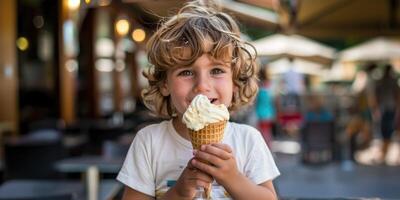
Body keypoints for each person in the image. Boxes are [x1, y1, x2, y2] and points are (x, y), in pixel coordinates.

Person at [117, 1, 280, 200]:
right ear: (164, 84)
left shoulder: (248, 140)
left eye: (217, 70)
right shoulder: (149, 142)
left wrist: (233, 178)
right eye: (186, 72)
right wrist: (178, 192)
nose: (202, 85)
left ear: (235, 82)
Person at [371, 64, 400, 164]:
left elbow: (376, 97)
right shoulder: (390, 82)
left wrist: (376, 109)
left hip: (385, 109)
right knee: (387, 131)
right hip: (388, 109)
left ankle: (384, 154)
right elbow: (397, 96)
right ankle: (384, 154)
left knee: (386, 131)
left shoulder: (382, 82)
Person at [255, 67, 276, 147]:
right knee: (267, 131)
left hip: (260, 112)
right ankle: (268, 147)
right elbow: (272, 100)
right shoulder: (269, 85)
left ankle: (265, 147)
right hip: (269, 112)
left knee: (263, 132)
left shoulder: (258, 86)